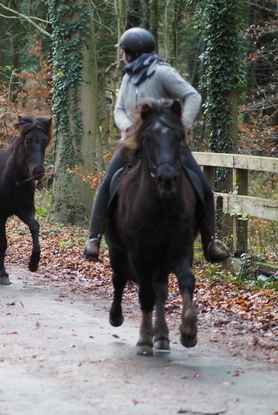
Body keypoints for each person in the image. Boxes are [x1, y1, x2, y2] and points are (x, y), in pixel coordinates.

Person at [83, 27, 230, 264]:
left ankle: (210, 241)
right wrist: (127, 127)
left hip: (166, 144)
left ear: (133, 52)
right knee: (108, 183)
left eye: (124, 52)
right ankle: (94, 238)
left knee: (202, 186)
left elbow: (193, 95)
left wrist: (181, 125)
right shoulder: (128, 76)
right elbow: (119, 109)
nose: (122, 57)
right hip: (133, 144)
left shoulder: (162, 73)